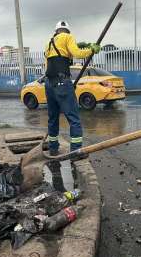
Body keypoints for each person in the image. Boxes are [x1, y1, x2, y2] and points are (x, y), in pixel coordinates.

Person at [43, 20, 100, 155]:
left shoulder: (50, 43)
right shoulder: (68, 37)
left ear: (56, 31)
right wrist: (91, 49)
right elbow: (76, 53)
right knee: (73, 118)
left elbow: (60, 54)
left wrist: (80, 45)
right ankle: (76, 151)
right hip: (62, 81)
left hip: (49, 83)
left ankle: (53, 148)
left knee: (53, 118)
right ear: (67, 31)